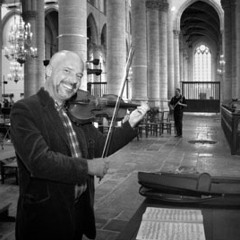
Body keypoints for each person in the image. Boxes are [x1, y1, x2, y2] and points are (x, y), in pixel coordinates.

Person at [10, 50, 149, 240]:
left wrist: (130, 124)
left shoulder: (76, 112)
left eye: (78, 75)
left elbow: (101, 146)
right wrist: (88, 167)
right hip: (45, 218)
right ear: (49, 71)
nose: (73, 80)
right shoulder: (26, 110)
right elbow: (39, 161)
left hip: (76, 212)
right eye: (66, 71)